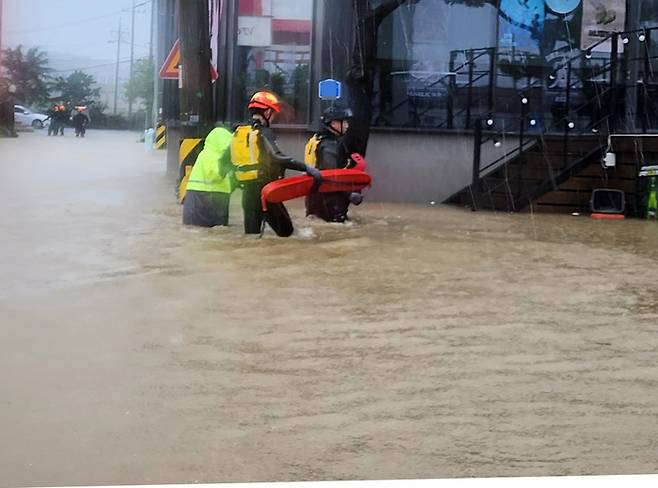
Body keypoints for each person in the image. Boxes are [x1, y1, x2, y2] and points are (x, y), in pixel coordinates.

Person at [231, 91, 322, 237]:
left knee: (251, 237)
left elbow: (228, 162)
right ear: (267, 112)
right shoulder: (263, 132)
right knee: (289, 235)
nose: (273, 119)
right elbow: (278, 158)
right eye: (273, 114)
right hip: (267, 192)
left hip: (247, 193)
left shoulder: (239, 132)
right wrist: (306, 168)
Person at [304, 106, 363, 222]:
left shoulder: (317, 139)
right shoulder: (330, 146)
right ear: (334, 124)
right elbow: (330, 176)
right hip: (330, 201)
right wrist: (350, 194)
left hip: (314, 199)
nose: (347, 125)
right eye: (344, 122)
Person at [182, 127, 234, 227]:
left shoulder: (208, 155)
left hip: (205, 200)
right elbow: (215, 175)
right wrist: (228, 161)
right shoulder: (210, 155)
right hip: (204, 200)